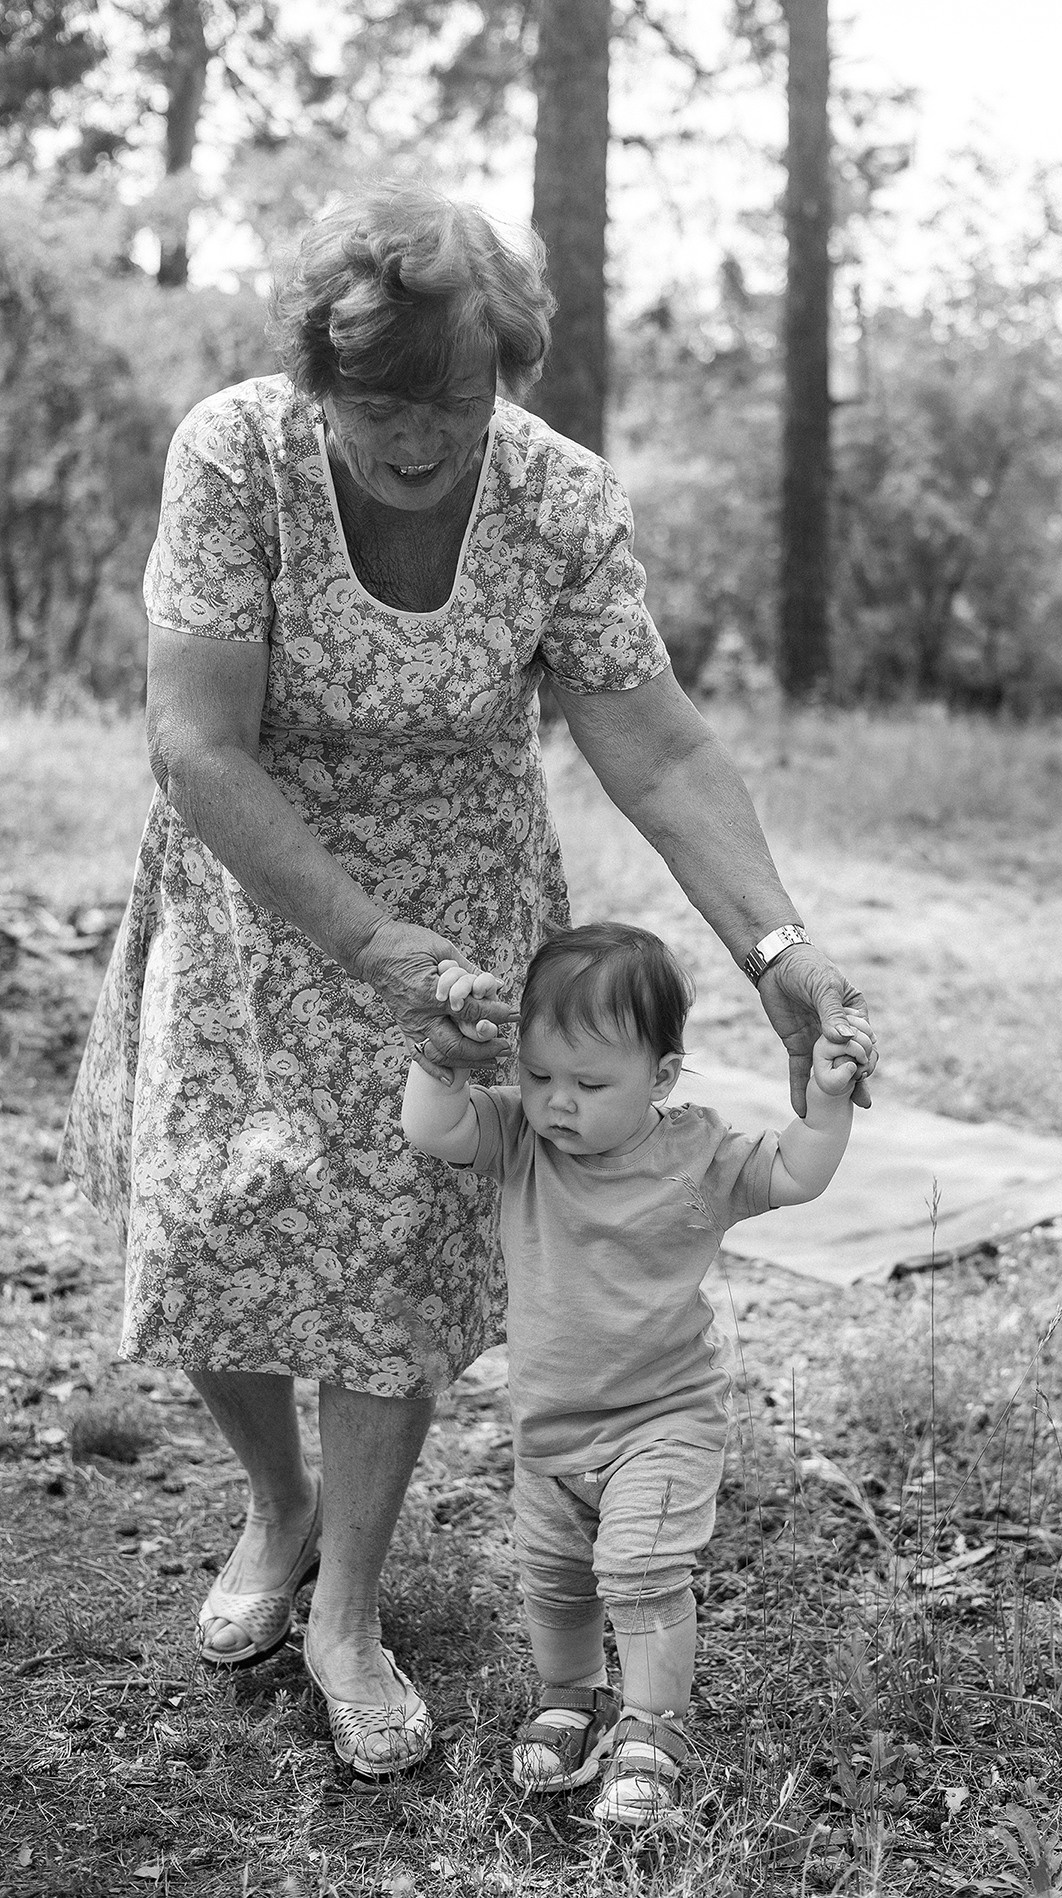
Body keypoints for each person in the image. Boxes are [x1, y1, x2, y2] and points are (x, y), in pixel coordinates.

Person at [59, 179, 877, 1781]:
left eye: (451, 395)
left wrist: (774, 948)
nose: (418, 433)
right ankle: (277, 1506)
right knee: (216, 1216)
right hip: (261, 885)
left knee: (393, 1251)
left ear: (503, 371)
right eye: (378, 399)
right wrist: (364, 940)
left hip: (465, 909)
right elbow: (195, 742)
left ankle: (346, 1605)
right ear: (316, 378)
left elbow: (650, 738)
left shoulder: (560, 502)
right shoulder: (236, 454)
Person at [400, 923, 859, 1826]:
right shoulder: (522, 1142)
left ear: (662, 1076)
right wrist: (442, 1059)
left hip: (663, 1415)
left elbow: (797, 1172)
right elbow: (430, 1125)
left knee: (642, 1570)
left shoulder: (697, 1155)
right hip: (549, 1424)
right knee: (556, 1576)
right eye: (538, 1076)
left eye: (589, 1083)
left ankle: (655, 1730)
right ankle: (572, 1696)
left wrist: (829, 1102)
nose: (556, 1103)